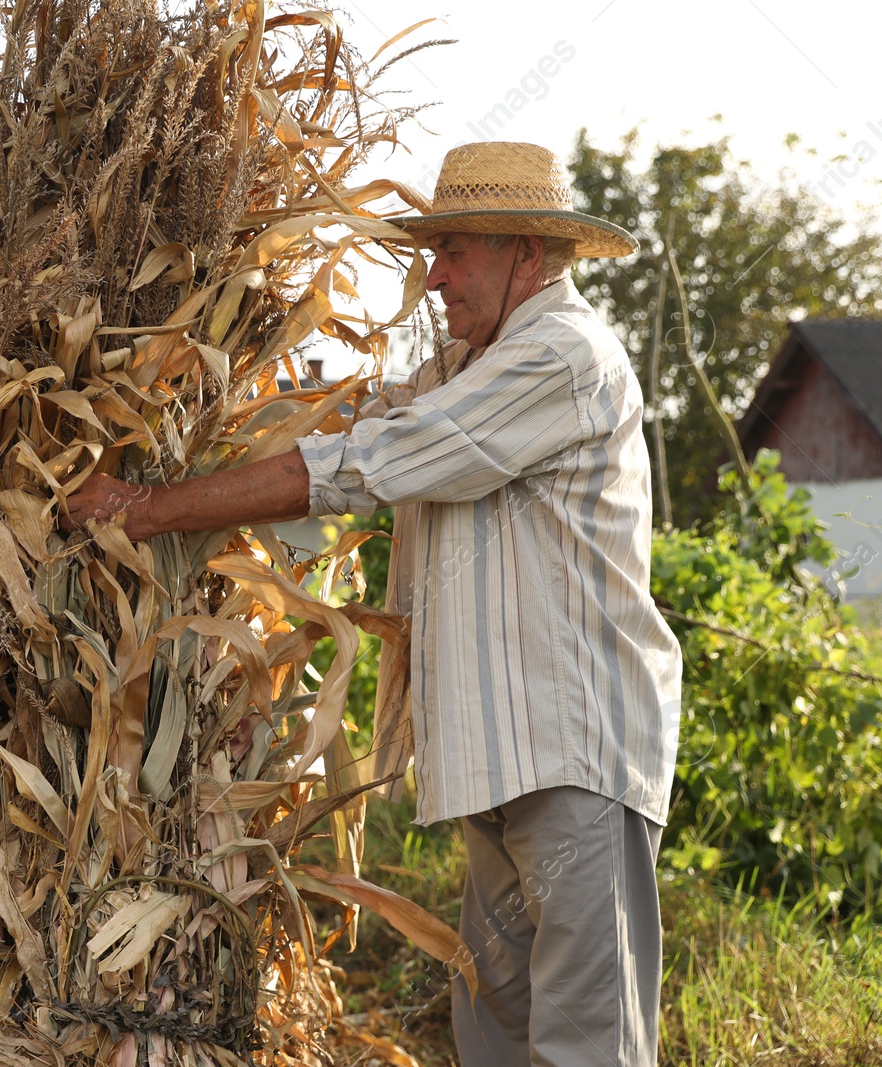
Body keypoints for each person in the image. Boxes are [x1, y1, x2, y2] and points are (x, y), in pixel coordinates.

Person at [60, 141, 684, 1066]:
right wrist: (202, 382)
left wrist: (143, 510)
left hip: (573, 755)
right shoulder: (472, 367)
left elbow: (368, 460)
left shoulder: (562, 356)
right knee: (500, 1033)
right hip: (506, 761)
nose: (434, 278)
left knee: (586, 1043)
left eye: (456, 251)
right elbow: (351, 416)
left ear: (526, 254)